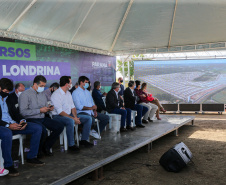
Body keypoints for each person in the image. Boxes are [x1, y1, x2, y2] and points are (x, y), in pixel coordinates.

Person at [0, 78, 44, 177]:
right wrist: (8, 125)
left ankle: (32, 157)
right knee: (7, 133)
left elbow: (16, 113)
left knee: (37, 128)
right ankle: (8, 165)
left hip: (13, 124)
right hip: (2, 125)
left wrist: (22, 121)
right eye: (5, 91)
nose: (7, 93)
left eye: (8, 92)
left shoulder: (9, 98)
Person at [19, 75, 64, 157]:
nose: (43, 88)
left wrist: (49, 108)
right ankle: (37, 152)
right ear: (35, 84)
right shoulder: (25, 95)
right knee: (43, 130)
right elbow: (23, 112)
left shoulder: (42, 94)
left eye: (44, 86)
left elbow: (44, 106)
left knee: (59, 126)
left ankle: (46, 146)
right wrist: (39, 110)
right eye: (41, 86)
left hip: (42, 117)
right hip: (31, 119)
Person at [51, 76, 81, 152]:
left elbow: (73, 107)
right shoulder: (56, 94)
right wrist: (73, 119)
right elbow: (60, 112)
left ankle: (82, 140)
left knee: (84, 118)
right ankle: (71, 145)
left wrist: (75, 117)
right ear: (66, 84)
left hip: (67, 115)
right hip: (57, 116)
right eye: (70, 83)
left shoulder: (68, 93)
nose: (71, 84)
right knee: (70, 121)